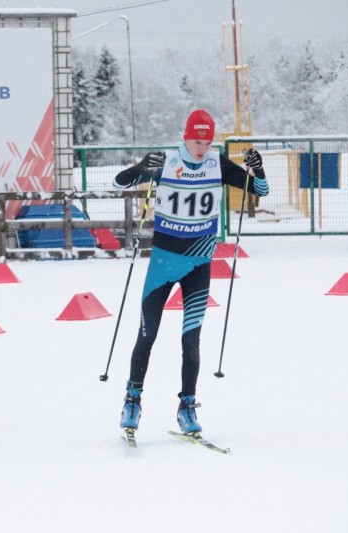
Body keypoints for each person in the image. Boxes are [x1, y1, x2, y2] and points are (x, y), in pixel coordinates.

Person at [112, 109, 269, 435]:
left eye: (207, 141)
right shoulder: (167, 162)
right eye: (196, 140)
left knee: (191, 340)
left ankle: (187, 407)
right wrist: (142, 168)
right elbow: (118, 182)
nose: (201, 147)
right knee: (147, 334)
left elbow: (260, 191)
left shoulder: (218, 164)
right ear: (185, 137)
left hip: (199, 265)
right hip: (163, 265)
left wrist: (259, 170)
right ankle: (132, 399)